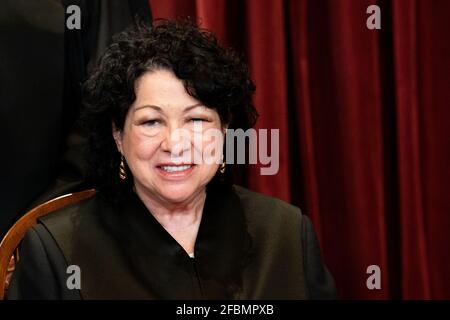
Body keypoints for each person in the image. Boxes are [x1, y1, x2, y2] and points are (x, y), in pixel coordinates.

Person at [8, 19, 336, 300]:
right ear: (118, 136)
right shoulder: (55, 250)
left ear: (225, 129)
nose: (175, 144)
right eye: (151, 122)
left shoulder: (288, 234)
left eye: (196, 120)